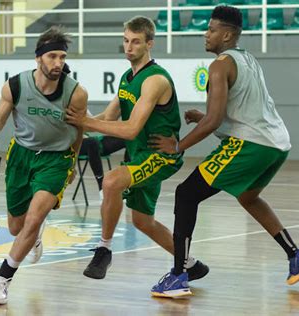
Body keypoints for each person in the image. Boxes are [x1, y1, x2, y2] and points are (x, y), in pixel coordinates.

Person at [149, 5, 299, 298]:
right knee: (248, 197)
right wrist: (203, 117)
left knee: (186, 194)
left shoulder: (219, 65)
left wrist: (179, 146)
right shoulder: (247, 59)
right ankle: (296, 256)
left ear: (227, 35)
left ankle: (178, 276)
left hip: (250, 144)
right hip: (276, 145)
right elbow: (233, 114)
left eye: (212, 29)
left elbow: (216, 120)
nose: (206, 33)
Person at [66, 16, 209, 281]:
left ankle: (104, 249)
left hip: (160, 155)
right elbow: (106, 119)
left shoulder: (155, 80)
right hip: (140, 155)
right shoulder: (126, 78)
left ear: (149, 44)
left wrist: (86, 122)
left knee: (111, 182)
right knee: (143, 222)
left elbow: (131, 129)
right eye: (125, 41)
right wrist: (71, 122)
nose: (129, 47)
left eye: (135, 42)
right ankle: (190, 264)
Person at [0, 26, 87, 305]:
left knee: (34, 217)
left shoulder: (75, 93)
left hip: (57, 159)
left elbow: (78, 132)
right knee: (17, 227)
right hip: (21, 155)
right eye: (52, 56)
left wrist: (73, 163)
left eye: (62, 57)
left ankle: (1, 280)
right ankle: (35, 233)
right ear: (38, 58)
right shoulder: (15, 86)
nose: (58, 63)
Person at [79, 133, 128, 199]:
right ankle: (102, 187)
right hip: (73, 145)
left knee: (129, 138)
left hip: (93, 140)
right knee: (91, 142)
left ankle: (127, 185)